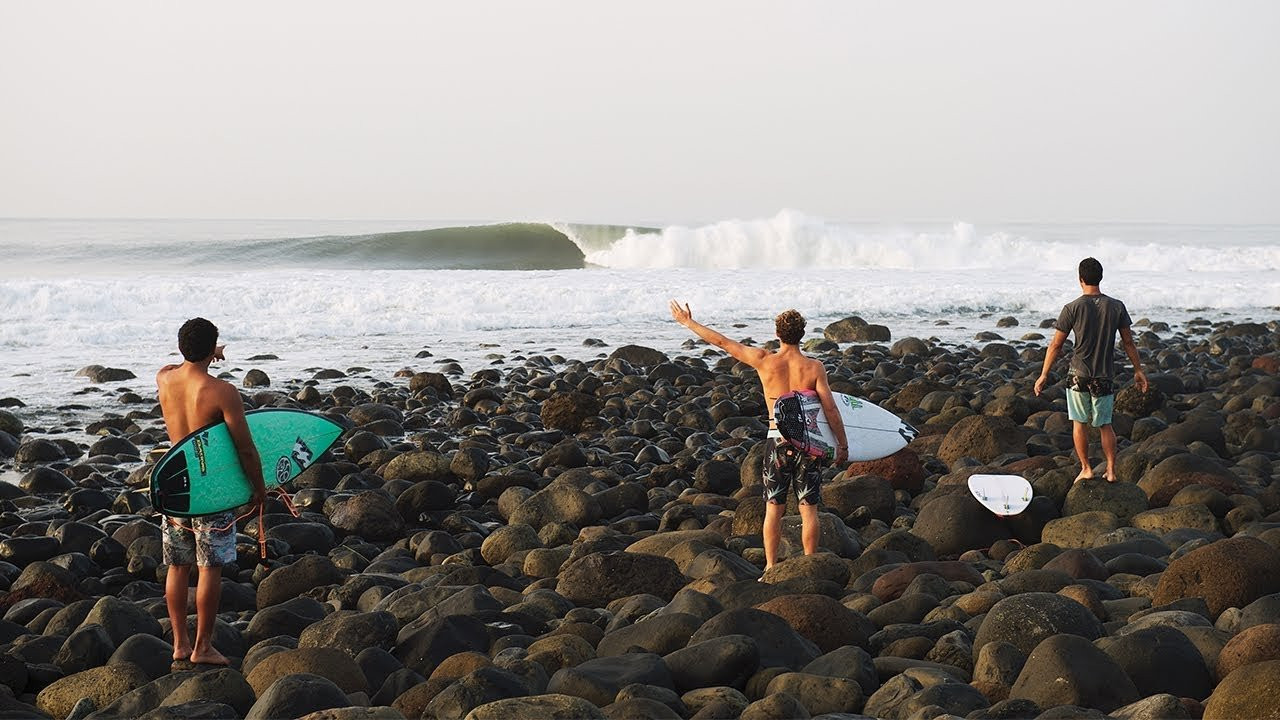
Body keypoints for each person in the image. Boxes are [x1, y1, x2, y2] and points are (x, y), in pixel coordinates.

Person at [670, 301, 848, 572]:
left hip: (778, 441)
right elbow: (831, 409)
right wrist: (842, 444)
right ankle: (811, 563)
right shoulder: (814, 367)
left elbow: (723, 342)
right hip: (809, 444)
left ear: (778, 334)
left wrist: (688, 323)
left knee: (774, 507)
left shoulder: (765, 361)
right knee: (808, 507)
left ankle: (770, 566)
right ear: (802, 335)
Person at [156, 318, 266, 665]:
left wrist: (202, 354)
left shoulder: (164, 378)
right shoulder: (222, 392)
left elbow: (176, 365)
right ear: (212, 348)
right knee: (209, 568)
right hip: (211, 490)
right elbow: (245, 449)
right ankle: (203, 647)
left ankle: (180, 644)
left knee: (177, 566)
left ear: (180, 347)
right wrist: (258, 488)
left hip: (177, 486)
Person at [1034, 258, 1149, 483]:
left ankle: (1086, 468)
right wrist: (1138, 370)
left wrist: (1044, 374)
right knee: (1105, 424)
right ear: (1101, 277)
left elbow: (1056, 345)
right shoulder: (1117, 306)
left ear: (1080, 279)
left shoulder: (1072, 308)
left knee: (1079, 423)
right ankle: (1112, 471)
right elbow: (1128, 343)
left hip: (1078, 374)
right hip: (1104, 375)